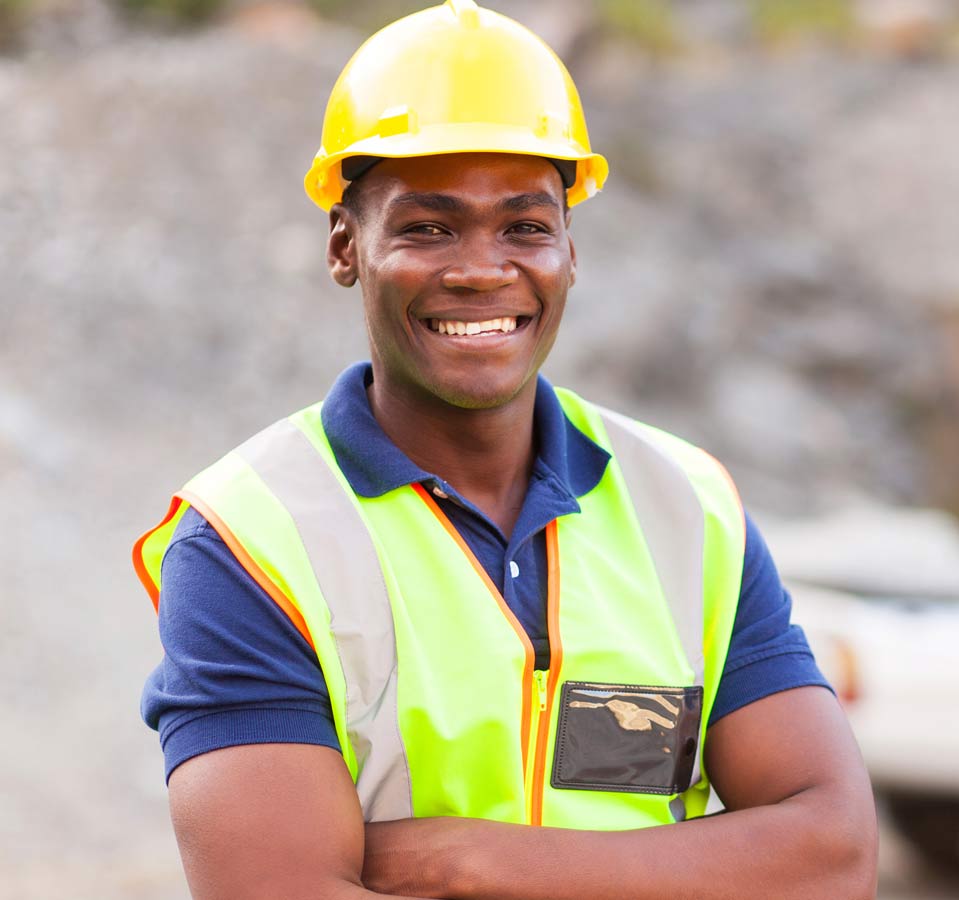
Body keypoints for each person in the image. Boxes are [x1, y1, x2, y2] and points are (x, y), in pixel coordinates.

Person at [131, 3, 877, 897]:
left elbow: (832, 855)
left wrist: (470, 862)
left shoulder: (686, 505)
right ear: (345, 247)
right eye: (427, 228)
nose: (483, 268)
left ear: (569, 249)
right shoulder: (250, 541)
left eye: (524, 226)